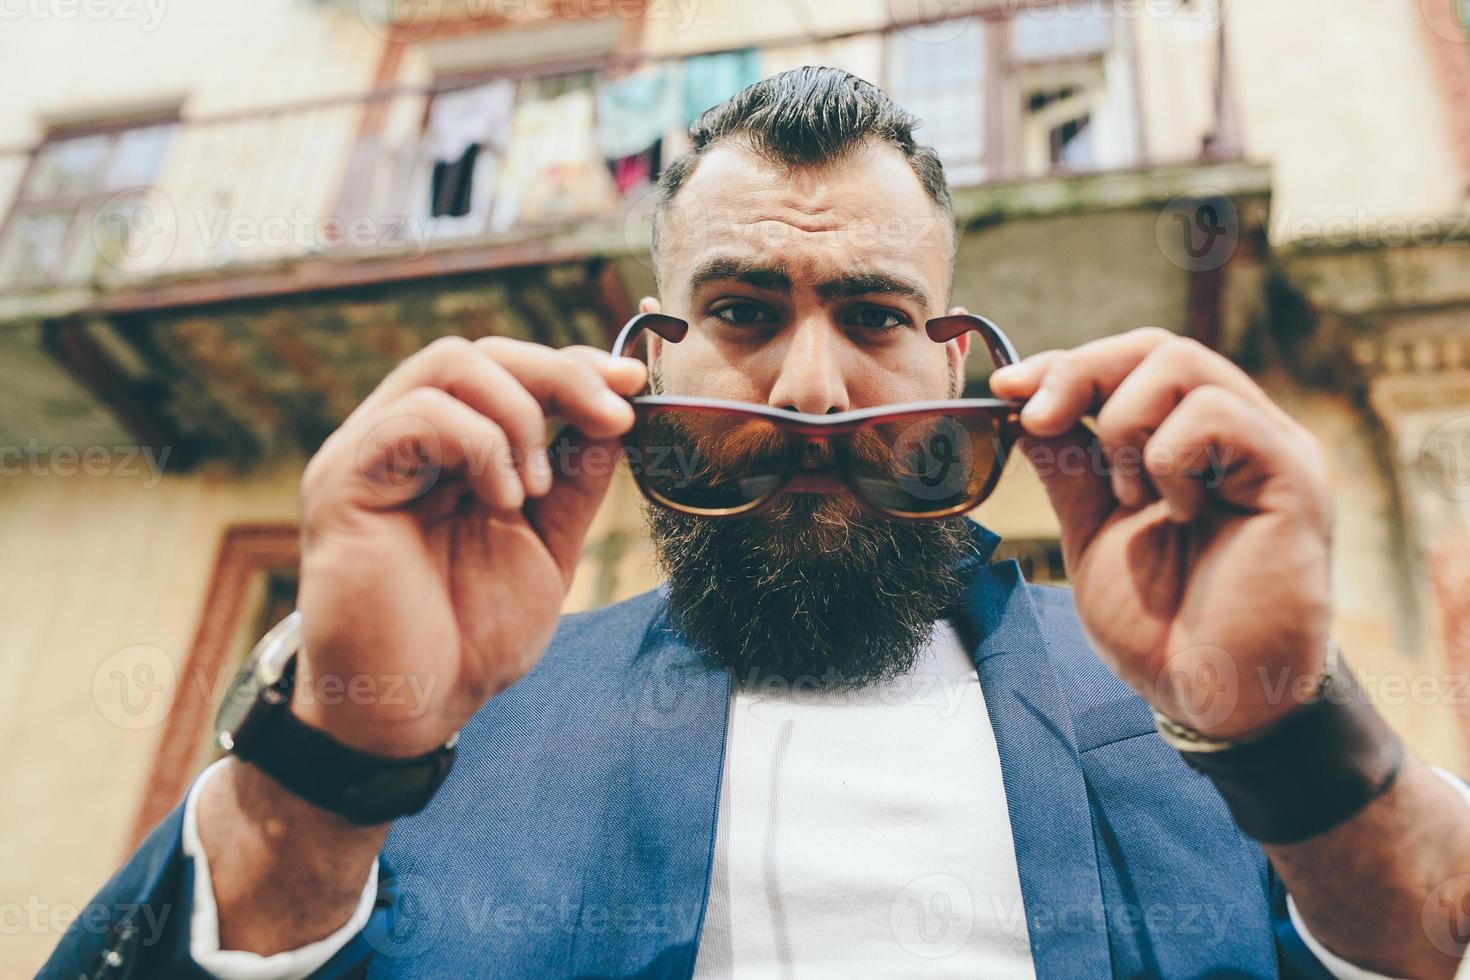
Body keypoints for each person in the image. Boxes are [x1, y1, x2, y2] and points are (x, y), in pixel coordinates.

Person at [45, 67, 1470, 979]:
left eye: (872, 316)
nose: (807, 388)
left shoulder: (1184, 700)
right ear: (641, 363)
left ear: (958, 364)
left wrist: (1289, 733)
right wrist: (332, 755)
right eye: (738, 312)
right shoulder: (430, 730)